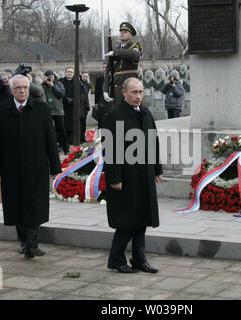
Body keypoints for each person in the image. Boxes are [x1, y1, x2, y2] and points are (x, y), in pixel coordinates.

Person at [0, 74, 62, 259]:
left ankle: (31, 243)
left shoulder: (41, 109)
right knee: (16, 205)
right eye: (18, 88)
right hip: (11, 167)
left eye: (25, 88)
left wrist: (55, 167)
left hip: (36, 166)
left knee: (35, 204)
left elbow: (50, 140)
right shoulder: (0, 111)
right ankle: (25, 241)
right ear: (11, 90)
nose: (22, 91)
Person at [101, 78, 162, 274]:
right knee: (126, 222)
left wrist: (157, 169)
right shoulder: (114, 116)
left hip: (143, 176)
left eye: (141, 92)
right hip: (126, 178)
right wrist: (114, 178)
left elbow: (154, 141)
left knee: (141, 220)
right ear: (124, 93)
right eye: (134, 92)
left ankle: (139, 259)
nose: (138, 96)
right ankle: (116, 259)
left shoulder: (145, 113)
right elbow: (109, 151)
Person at [103, 22, 143, 108]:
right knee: (119, 116)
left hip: (131, 87)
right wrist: (105, 90)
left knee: (131, 113)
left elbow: (135, 55)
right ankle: (120, 122)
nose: (122, 33)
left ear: (131, 36)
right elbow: (108, 70)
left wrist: (116, 52)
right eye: (121, 31)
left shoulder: (135, 46)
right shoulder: (115, 50)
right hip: (116, 87)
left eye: (125, 32)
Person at [42, 70, 69, 155]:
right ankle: (53, 150)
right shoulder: (43, 85)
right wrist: (45, 83)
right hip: (48, 112)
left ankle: (66, 149)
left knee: (61, 131)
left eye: (52, 76)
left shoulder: (59, 84)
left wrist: (53, 86)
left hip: (58, 111)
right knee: (50, 132)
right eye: (49, 76)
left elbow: (61, 94)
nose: (51, 78)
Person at [59, 67, 75, 145]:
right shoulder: (60, 81)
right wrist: (66, 99)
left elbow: (79, 92)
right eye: (68, 72)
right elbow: (59, 92)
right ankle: (64, 142)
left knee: (72, 124)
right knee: (64, 125)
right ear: (65, 72)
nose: (70, 73)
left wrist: (73, 100)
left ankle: (71, 140)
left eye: (71, 72)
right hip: (63, 105)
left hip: (73, 106)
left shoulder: (76, 82)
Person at [94, 63, 112, 128]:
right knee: (101, 118)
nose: (105, 69)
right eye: (103, 67)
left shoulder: (113, 78)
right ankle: (101, 133)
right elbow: (97, 92)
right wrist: (96, 103)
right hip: (101, 101)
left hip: (111, 100)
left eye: (106, 67)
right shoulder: (99, 79)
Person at [80, 71, 91, 143]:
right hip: (79, 105)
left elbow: (86, 94)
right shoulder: (78, 83)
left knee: (84, 123)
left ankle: (83, 138)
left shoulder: (88, 84)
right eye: (84, 76)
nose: (85, 77)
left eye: (86, 76)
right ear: (81, 76)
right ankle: (79, 138)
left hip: (85, 105)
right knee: (79, 123)